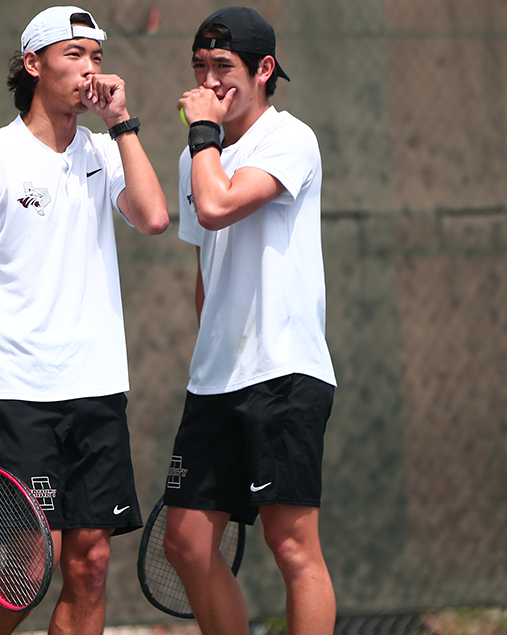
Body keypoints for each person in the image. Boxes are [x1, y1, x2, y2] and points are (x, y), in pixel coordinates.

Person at [0, 5, 168, 635]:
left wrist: (123, 123)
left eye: (97, 57)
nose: (90, 70)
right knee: (26, 572)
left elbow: (152, 217)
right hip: (20, 395)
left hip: (98, 390)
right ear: (34, 65)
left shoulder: (105, 148)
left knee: (89, 563)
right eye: (74, 55)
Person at [162, 7, 337, 635]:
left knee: (293, 548)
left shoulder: (292, 138)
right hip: (215, 381)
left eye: (224, 68)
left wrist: (202, 133)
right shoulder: (196, 155)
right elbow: (208, 267)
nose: (209, 83)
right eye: (200, 68)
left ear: (264, 71)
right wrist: (208, 350)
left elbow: (217, 208)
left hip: (284, 373)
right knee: (184, 542)